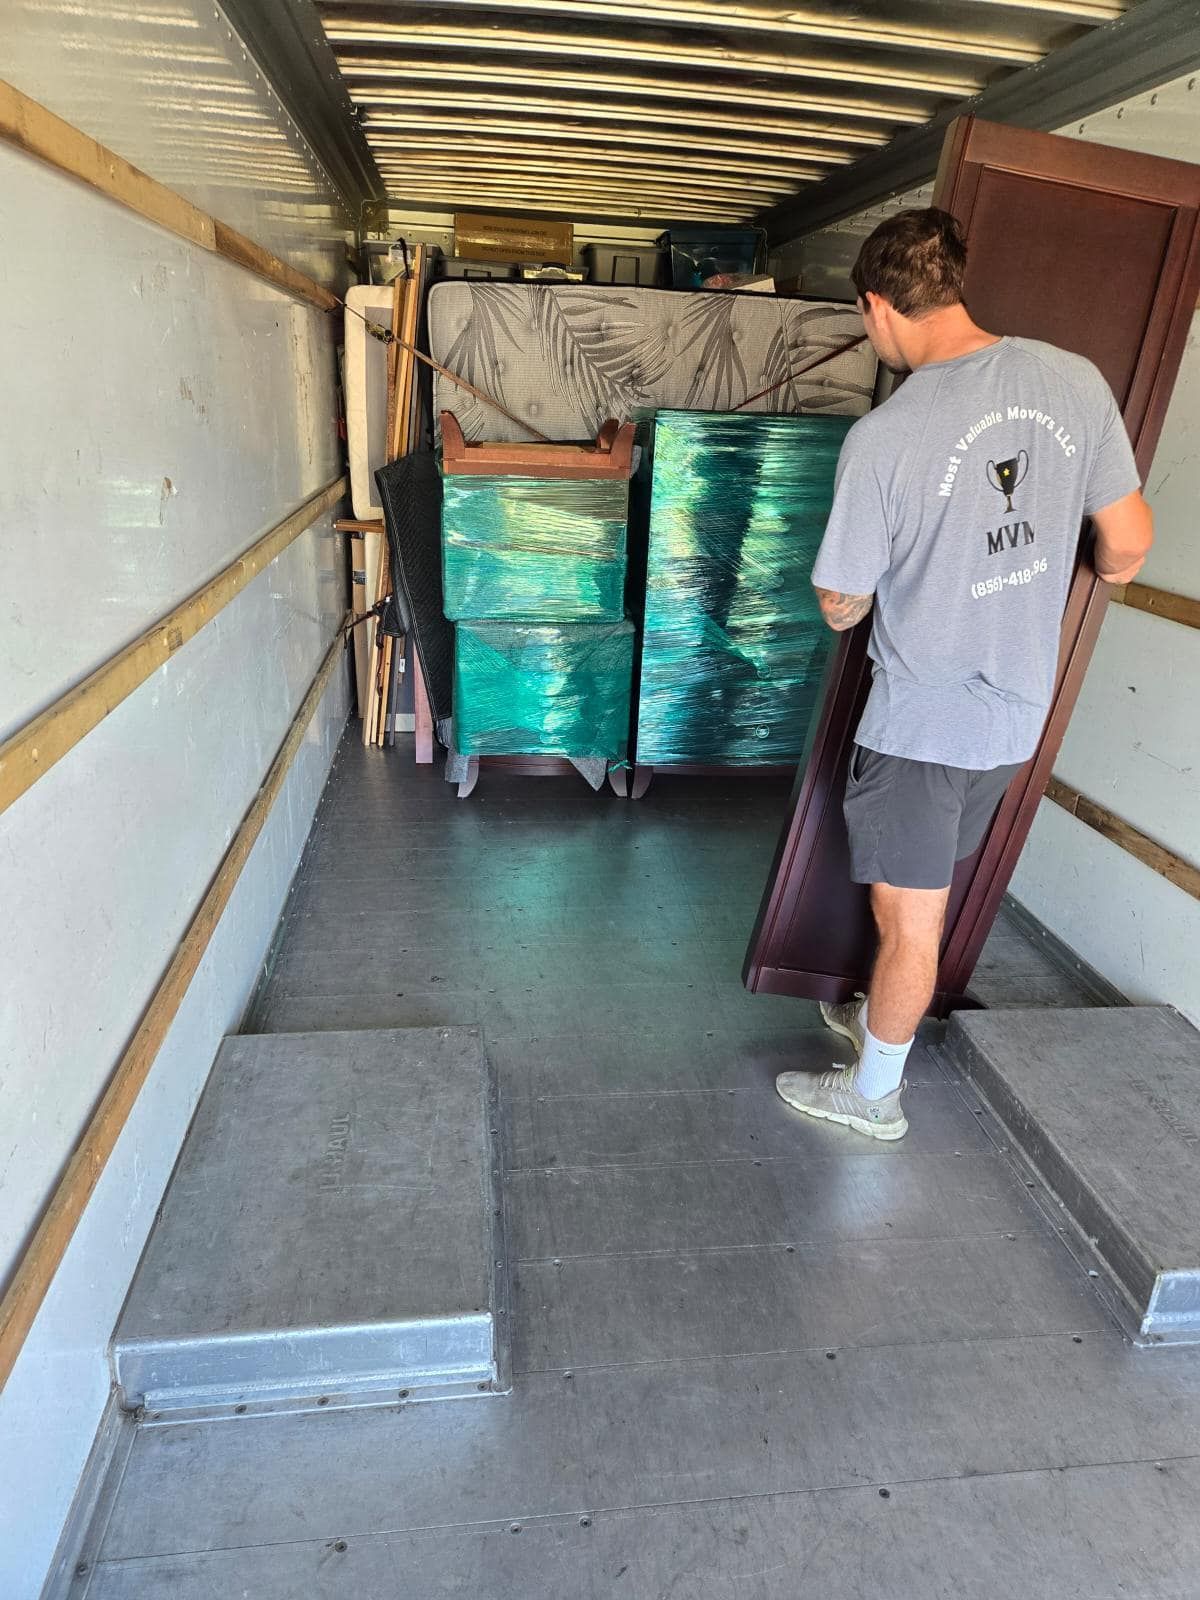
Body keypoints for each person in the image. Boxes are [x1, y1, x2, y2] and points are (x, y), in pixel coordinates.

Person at [775, 207, 1153, 1142]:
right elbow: (1130, 546)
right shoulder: (1071, 381)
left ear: (877, 307)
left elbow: (841, 601)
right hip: (1012, 720)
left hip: (921, 723)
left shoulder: (887, 435)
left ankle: (872, 1098)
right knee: (922, 893)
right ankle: (877, 1021)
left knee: (910, 924)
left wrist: (867, 596)